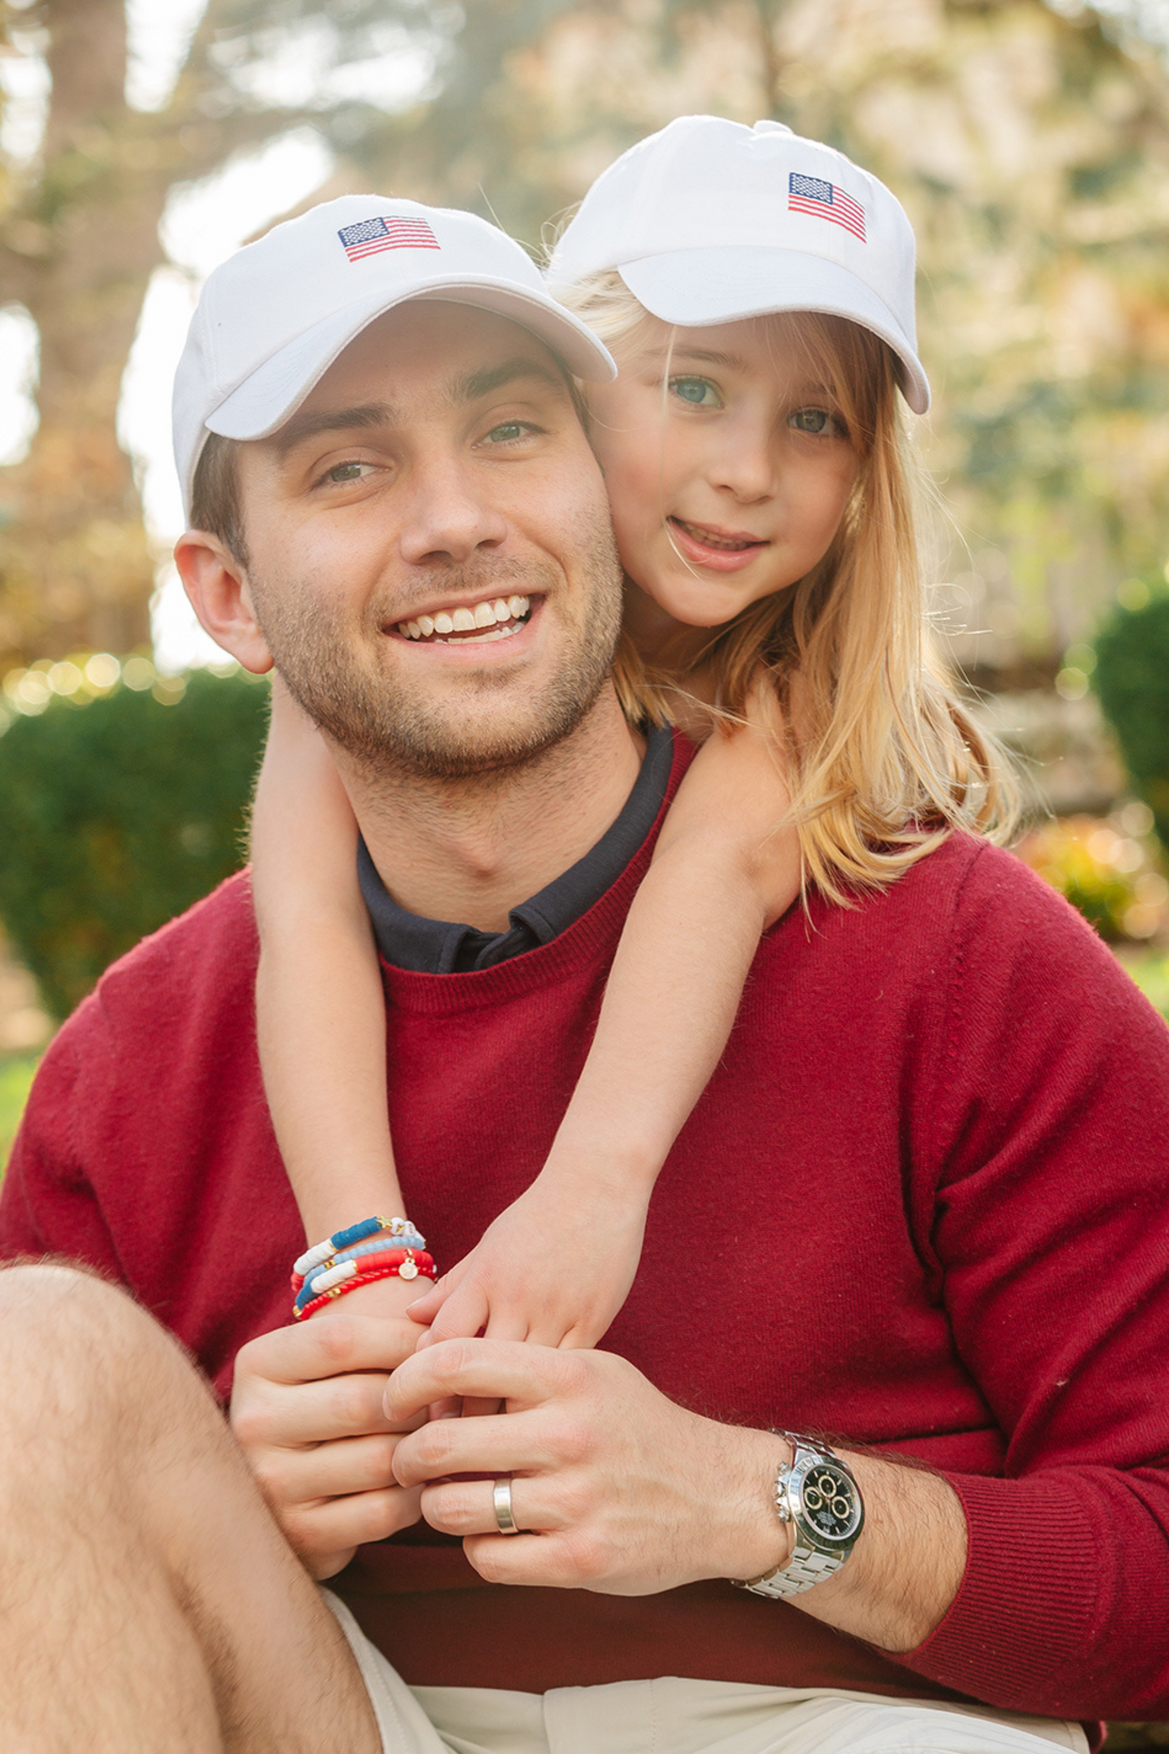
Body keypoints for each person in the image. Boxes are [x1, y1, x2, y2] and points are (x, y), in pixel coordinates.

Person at [0, 166, 1169, 1753]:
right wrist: (213, 1488)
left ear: (587, 477)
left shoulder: (946, 943)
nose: (458, 517)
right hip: (352, 1711)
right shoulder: (141, 1059)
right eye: (347, 466)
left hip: (835, 1710)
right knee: (16, 1359)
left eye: (509, 429)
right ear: (228, 597)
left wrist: (757, 1500)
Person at [248, 118, 1009, 1360]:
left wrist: (592, 1189)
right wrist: (360, 1255)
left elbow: (706, 875)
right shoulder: (382, 639)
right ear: (565, 377)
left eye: (816, 421)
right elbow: (305, 918)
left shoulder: (791, 696)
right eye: (694, 388)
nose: (747, 470)